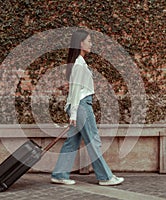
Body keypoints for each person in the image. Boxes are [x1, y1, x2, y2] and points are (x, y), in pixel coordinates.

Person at [51, 29, 124, 186]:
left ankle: (59, 174)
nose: (91, 44)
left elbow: (75, 88)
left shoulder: (79, 63)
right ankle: (105, 177)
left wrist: (72, 109)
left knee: (72, 142)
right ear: (80, 43)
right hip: (82, 106)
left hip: (79, 106)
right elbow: (77, 92)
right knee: (93, 141)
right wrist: (74, 114)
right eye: (89, 41)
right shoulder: (79, 64)